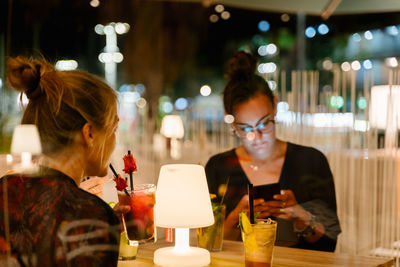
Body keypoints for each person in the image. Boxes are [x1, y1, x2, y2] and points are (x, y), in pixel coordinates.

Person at [205, 52, 341, 252]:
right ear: (231, 120)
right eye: (245, 128)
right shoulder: (219, 168)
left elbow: (330, 245)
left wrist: (300, 216)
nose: (257, 137)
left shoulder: (311, 161)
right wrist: (236, 217)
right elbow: (208, 245)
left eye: (264, 124)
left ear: (275, 106)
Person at [0, 56, 121, 266]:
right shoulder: (90, 215)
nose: (114, 140)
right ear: (90, 133)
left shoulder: (5, 190)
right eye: (113, 129)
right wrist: (98, 219)